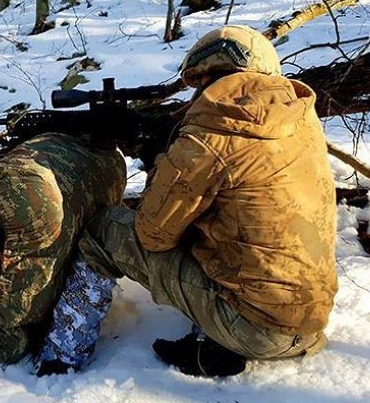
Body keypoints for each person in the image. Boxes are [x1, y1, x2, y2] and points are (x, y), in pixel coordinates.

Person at [37, 25, 338, 377]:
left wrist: (159, 160)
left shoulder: (212, 134)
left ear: (206, 73)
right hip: (309, 322)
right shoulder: (297, 120)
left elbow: (152, 234)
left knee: (104, 232)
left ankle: (61, 356)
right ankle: (214, 344)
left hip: (255, 328)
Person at [0, 132, 126, 364]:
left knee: (8, 344)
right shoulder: (112, 159)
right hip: (40, 186)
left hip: (31, 191)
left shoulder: (24, 189)